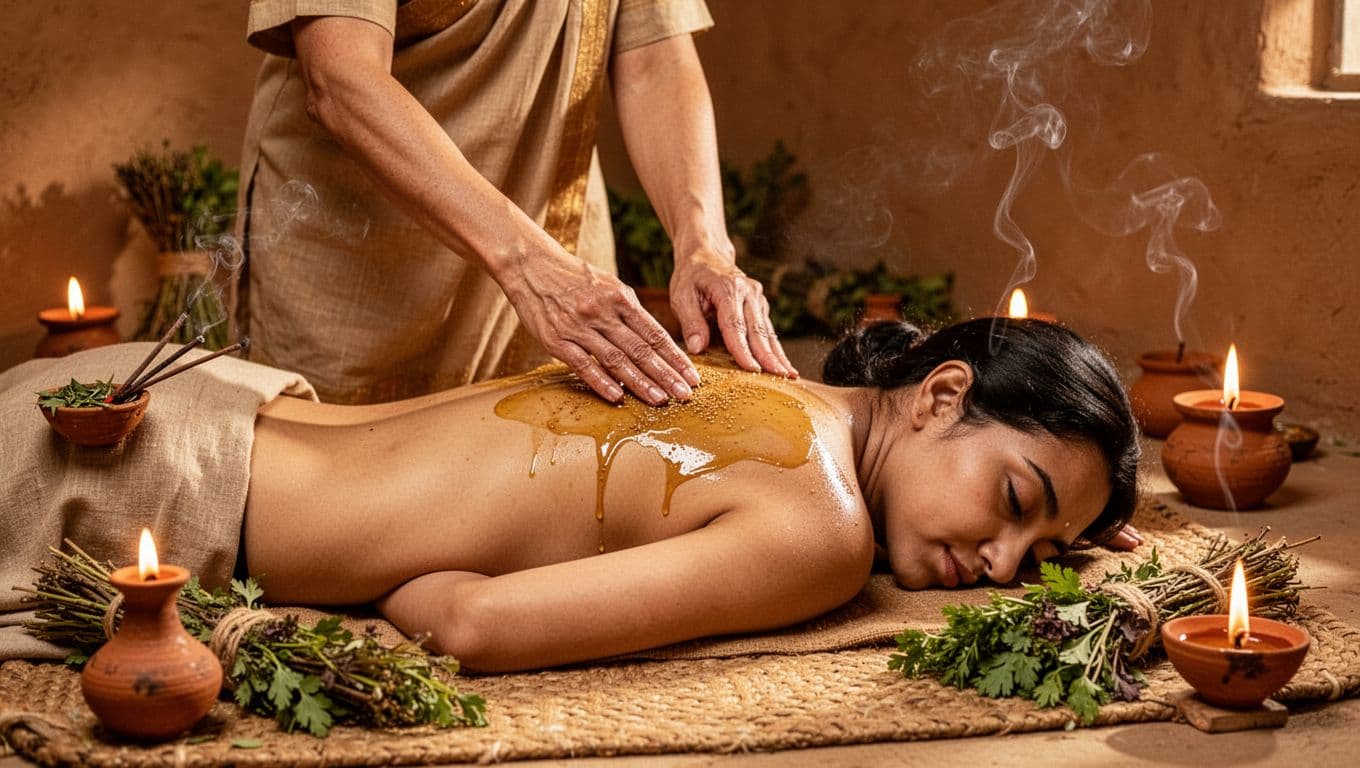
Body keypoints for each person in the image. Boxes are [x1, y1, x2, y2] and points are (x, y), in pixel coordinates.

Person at [237, 318, 1142, 672]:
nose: (1002, 564)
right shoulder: (821, 531)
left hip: (225, 396)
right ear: (942, 395)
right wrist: (379, 565)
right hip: (185, 492)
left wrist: (1067, 519)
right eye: (1015, 502)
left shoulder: (761, 384)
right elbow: (473, 626)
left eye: (1041, 557)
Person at [236, 0, 794, 407]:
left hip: (558, 241)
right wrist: (531, 267)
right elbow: (341, 77)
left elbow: (655, 62)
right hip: (366, 261)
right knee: (350, 531)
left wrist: (702, 243)